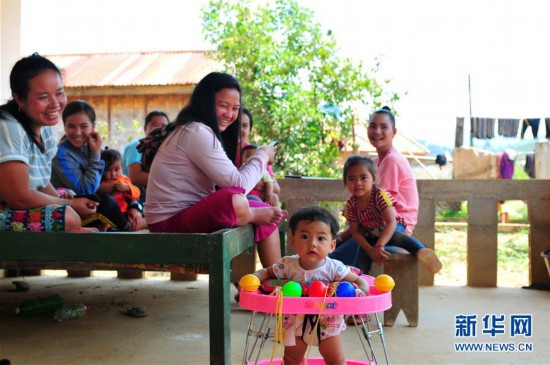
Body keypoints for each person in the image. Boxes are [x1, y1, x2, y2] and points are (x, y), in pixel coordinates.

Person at [145, 72, 284, 268]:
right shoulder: (196, 131)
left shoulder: (196, 129)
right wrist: (261, 154)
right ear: (206, 102)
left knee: (258, 204)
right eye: (223, 106)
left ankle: (273, 282)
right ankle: (252, 217)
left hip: (184, 216)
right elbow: (238, 185)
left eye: (235, 108)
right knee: (235, 199)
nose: (230, 114)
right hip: (168, 224)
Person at [251, 206, 369, 365]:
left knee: (336, 359)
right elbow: (268, 272)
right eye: (305, 236)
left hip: (328, 323)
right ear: (293, 240)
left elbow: (358, 280)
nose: (312, 243)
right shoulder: (288, 265)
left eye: (321, 239)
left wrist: (362, 291)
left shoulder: (335, 267)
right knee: (291, 359)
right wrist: (255, 277)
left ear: (332, 245)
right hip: (294, 323)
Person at [0, 53, 98, 232]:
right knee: (68, 217)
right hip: (5, 208)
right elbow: (19, 198)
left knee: (72, 200)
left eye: (59, 93)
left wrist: (69, 202)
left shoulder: (45, 129)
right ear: (19, 99)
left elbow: (41, 182)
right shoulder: (7, 127)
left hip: (15, 206)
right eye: (43, 97)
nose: (55, 104)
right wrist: (69, 205)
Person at [331, 106, 424, 271]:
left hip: (393, 225)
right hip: (373, 224)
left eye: (383, 127)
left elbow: (376, 208)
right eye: (373, 126)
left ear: (394, 132)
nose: (377, 131)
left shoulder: (392, 161)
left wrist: (341, 237)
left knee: (335, 257)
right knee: (338, 249)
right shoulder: (375, 163)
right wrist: (340, 237)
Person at [337, 155, 442, 274]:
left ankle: (421, 251)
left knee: (398, 236)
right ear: (345, 181)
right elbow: (355, 231)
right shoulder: (350, 205)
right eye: (351, 178)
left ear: (374, 179)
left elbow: (391, 222)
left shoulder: (380, 195)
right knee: (361, 257)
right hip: (370, 235)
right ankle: (361, 282)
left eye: (363, 177)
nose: (358, 183)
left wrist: (380, 245)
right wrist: (369, 249)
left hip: (391, 227)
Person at [51, 100, 143, 232]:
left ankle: (135, 216)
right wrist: (95, 153)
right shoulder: (61, 154)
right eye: (71, 126)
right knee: (105, 201)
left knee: (125, 185)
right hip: (71, 206)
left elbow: (111, 179)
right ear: (64, 126)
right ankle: (128, 227)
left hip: (93, 200)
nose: (77, 132)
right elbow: (85, 190)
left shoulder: (90, 145)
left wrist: (133, 206)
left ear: (93, 127)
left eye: (83, 126)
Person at [122, 110, 169, 203]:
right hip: (135, 198)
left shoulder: (165, 149)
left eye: (164, 126)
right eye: (155, 124)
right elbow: (135, 177)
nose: (159, 128)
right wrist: (169, 179)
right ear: (145, 127)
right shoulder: (137, 146)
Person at [98, 148, 147, 231]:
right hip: (107, 214)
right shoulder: (100, 182)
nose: (113, 174)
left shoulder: (124, 180)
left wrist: (128, 188)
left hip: (124, 212)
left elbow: (137, 193)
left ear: (122, 167)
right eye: (108, 170)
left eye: (116, 169)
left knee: (136, 219)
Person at [240, 107, 280, 195]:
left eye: (245, 126)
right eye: (236, 125)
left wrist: (256, 182)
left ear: (250, 130)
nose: (240, 129)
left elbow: (276, 189)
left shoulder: (253, 151)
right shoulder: (218, 149)